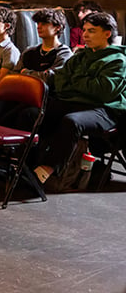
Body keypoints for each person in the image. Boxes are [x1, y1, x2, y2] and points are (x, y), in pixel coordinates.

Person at [34, 12, 126, 190]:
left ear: (107, 33)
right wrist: (83, 84)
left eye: (91, 31)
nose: (85, 35)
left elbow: (103, 92)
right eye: (84, 30)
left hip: (106, 110)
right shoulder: (80, 56)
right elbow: (60, 82)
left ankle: (48, 169)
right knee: (38, 110)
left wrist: (75, 82)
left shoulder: (118, 60)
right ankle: (27, 160)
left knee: (72, 121)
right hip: (78, 103)